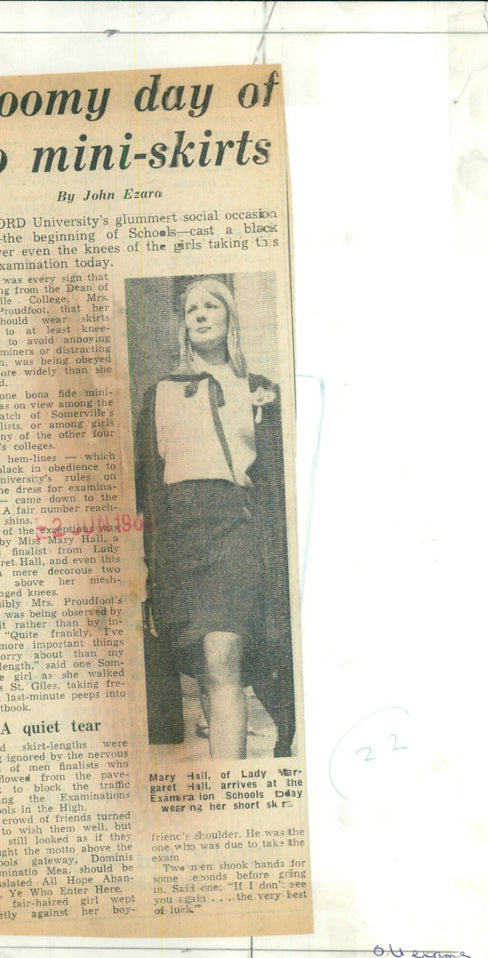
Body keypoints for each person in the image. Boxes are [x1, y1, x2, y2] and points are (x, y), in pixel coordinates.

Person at [135, 277, 295, 759]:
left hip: (233, 533)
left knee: (222, 658)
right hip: (180, 538)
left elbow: (274, 481)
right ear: (183, 326)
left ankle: (231, 791)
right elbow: (146, 484)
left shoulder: (258, 390)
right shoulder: (159, 393)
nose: (200, 315)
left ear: (229, 319)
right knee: (204, 668)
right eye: (190, 310)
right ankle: (225, 771)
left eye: (211, 306)